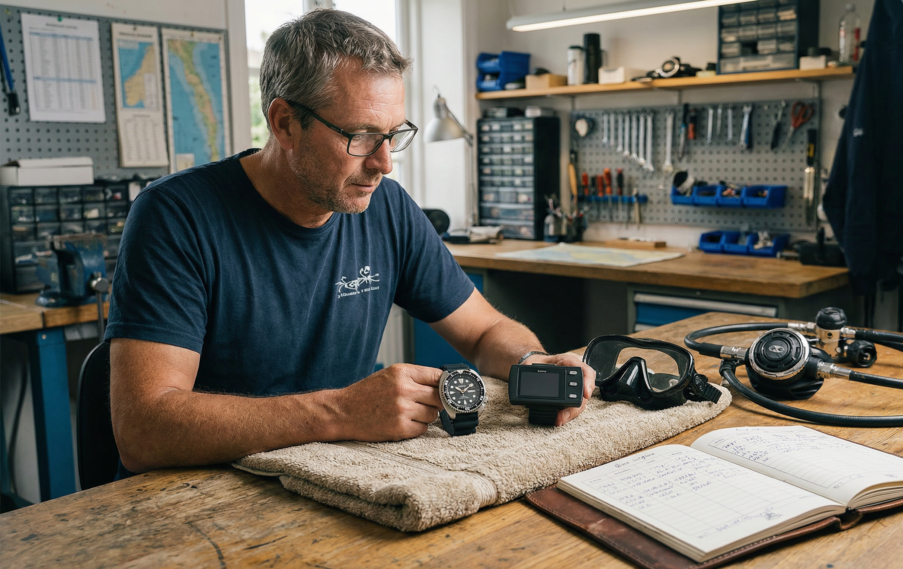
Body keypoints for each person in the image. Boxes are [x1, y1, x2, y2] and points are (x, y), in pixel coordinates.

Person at [106, 9, 595, 476]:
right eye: (360, 136)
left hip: (334, 476)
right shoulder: (175, 216)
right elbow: (144, 429)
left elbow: (485, 332)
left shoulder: (387, 208)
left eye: (392, 135)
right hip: (203, 494)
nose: (384, 163)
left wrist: (531, 364)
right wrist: (339, 411)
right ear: (284, 124)